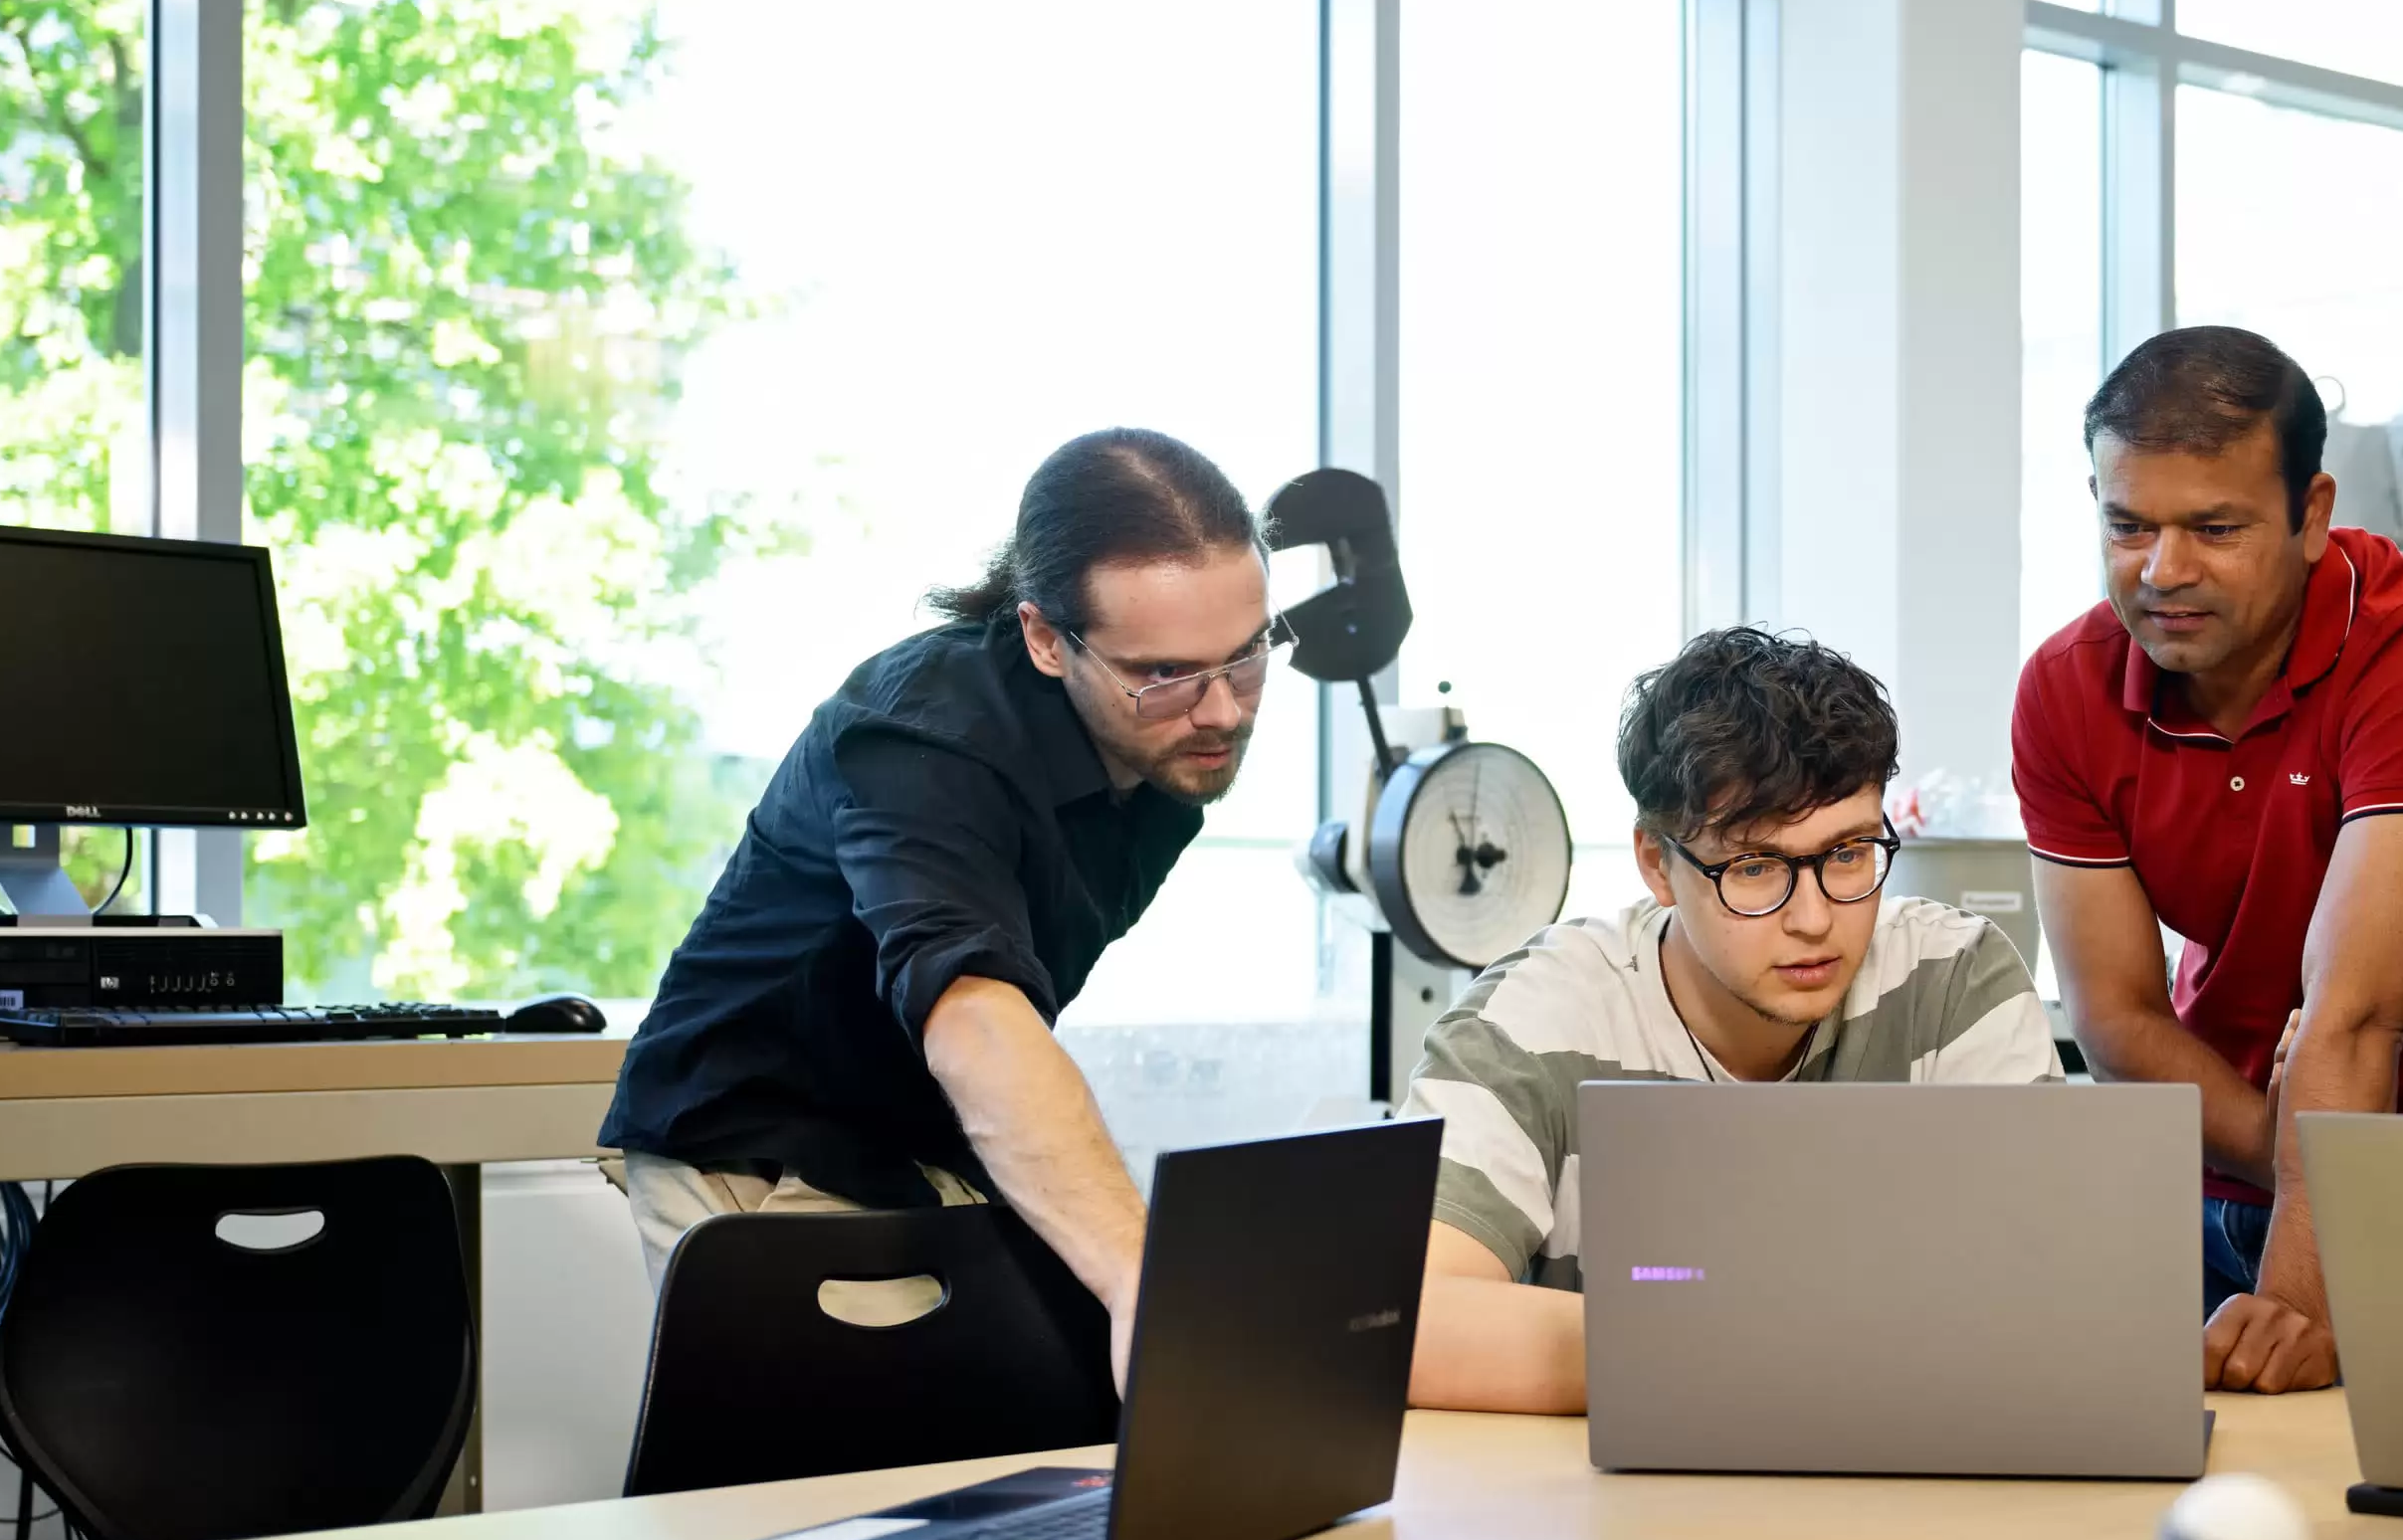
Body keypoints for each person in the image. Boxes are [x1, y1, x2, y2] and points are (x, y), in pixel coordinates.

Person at [601, 429, 1277, 1388]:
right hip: (761, 1146)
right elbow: (973, 1013)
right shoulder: (926, 736)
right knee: (838, 1492)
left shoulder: (1172, 741)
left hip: (919, 1133)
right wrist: (1141, 1275)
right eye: (1164, 672)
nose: (1221, 711)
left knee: (1047, 1434)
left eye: (1244, 656)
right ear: (1047, 638)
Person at [2016, 325, 2403, 1398]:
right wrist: (2287, 1157)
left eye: (2215, 528)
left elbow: (2353, 1014)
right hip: (2226, 1183)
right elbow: (2117, 1018)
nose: (2164, 572)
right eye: (2127, 525)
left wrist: (2300, 1303)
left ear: (2312, 515)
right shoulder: (2067, 688)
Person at [1410, 628, 2060, 1414]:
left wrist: (1710, 1347)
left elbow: (2047, 1305)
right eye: (1755, 869)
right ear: (1657, 864)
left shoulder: (1953, 981)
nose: (1816, 919)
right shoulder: (1533, 1020)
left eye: (1849, 854)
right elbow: (1413, 1326)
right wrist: (1766, 1351)